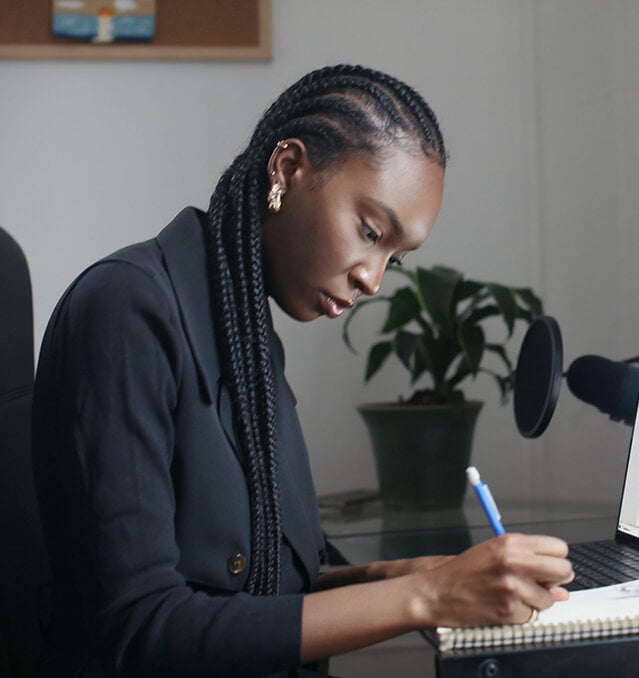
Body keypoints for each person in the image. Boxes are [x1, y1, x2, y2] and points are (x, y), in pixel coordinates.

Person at [31, 64, 573, 677]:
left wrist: (412, 576)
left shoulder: (246, 332)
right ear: (288, 169)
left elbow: (267, 590)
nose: (372, 277)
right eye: (370, 232)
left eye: (394, 257)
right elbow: (146, 625)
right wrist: (426, 597)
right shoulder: (127, 309)